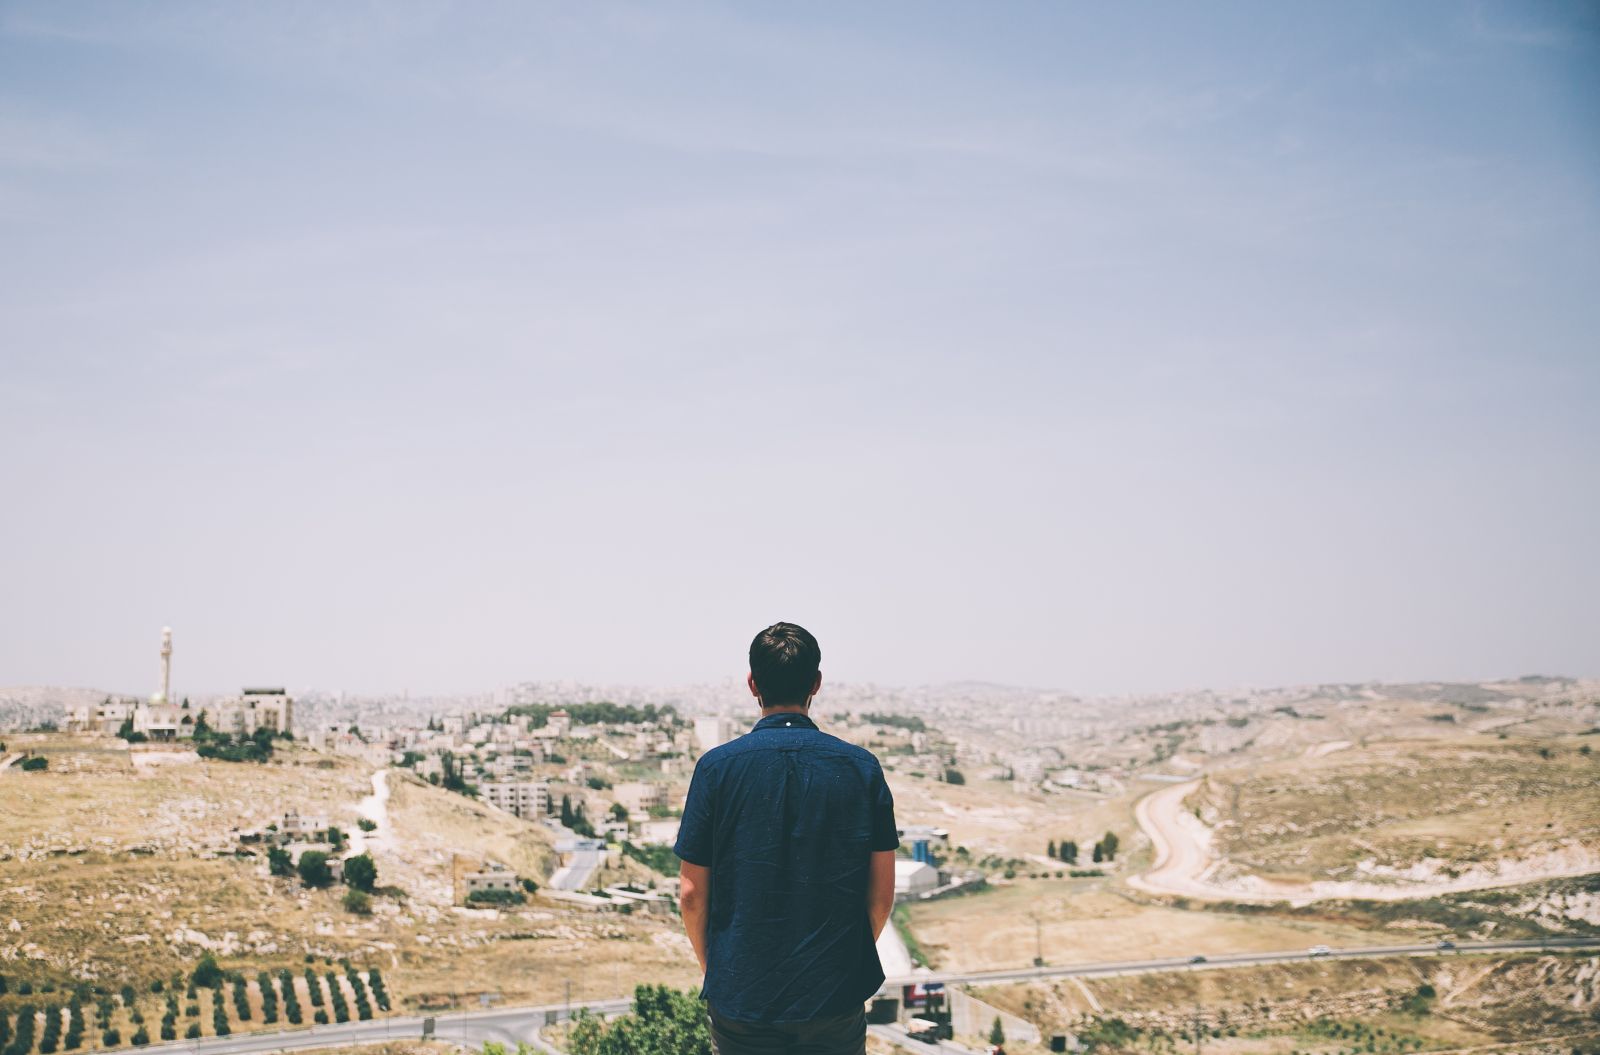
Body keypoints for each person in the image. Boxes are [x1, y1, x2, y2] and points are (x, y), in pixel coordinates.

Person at [675, 622, 900, 1055]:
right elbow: (881, 894)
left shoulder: (716, 769)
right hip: (834, 995)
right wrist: (839, 960)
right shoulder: (861, 768)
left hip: (743, 997)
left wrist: (720, 968)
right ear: (816, 683)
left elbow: (690, 894)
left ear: (752, 684)